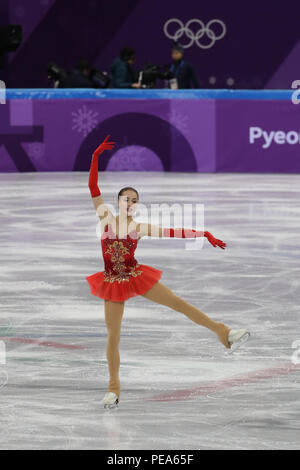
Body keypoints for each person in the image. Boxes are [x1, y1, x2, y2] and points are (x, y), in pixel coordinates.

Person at [86, 136, 250, 409]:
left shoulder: (140, 227)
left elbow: (175, 232)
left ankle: (223, 332)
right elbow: (92, 186)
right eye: (126, 199)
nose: (130, 203)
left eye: (134, 200)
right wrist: (95, 156)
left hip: (136, 276)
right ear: (117, 201)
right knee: (113, 335)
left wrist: (203, 233)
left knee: (179, 304)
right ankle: (113, 388)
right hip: (113, 282)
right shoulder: (105, 217)